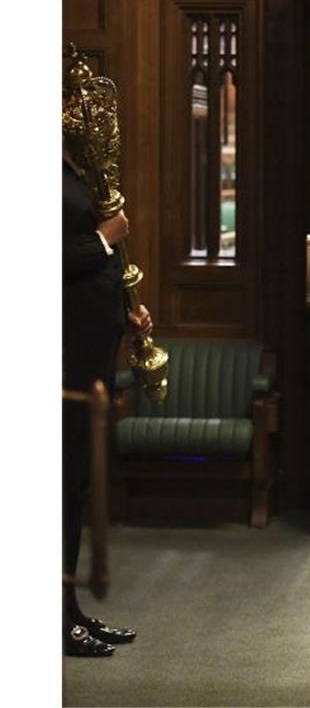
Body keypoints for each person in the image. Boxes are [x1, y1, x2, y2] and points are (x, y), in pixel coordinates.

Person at [63, 146, 153, 656]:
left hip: (92, 353)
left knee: (75, 487)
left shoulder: (74, 165)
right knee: (59, 489)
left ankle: (69, 611)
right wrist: (103, 237)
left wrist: (130, 312)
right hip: (63, 357)